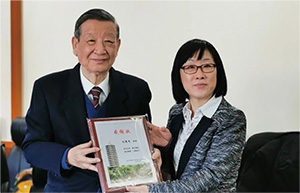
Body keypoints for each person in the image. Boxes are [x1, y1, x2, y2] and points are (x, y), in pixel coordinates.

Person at [22, 8, 152, 192]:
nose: (100, 49)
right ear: (75, 45)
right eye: (91, 41)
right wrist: (67, 156)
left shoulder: (136, 89)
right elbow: (32, 147)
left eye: (108, 41)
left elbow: (143, 145)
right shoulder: (48, 88)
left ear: (118, 46)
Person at [127, 39, 247, 192]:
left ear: (218, 71)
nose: (199, 74)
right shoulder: (177, 113)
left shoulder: (231, 118)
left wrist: (152, 191)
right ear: (179, 74)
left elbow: (210, 176)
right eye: (190, 67)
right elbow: (176, 171)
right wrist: (166, 147)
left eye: (207, 66)